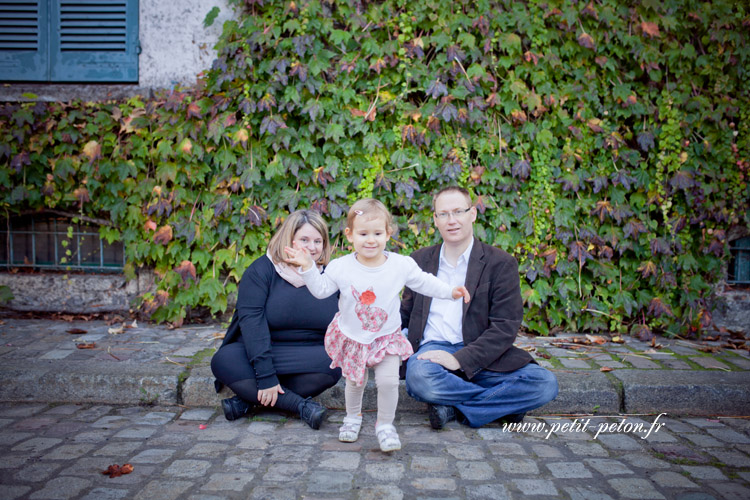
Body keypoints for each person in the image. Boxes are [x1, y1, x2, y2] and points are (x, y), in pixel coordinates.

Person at [284, 198, 470, 451]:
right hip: (353, 337)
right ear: (350, 235)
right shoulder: (341, 267)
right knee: (355, 382)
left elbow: (425, 282)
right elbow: (321, 290)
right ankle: (352, 418)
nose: (370, 240)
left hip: (386, 337)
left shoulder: (400, 265)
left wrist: (451, 291)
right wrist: (308, 268)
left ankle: (385, 425)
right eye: (363, 233)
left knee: (389, 382)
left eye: (377, 233)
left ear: (388, 234)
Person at [401, 186, 558, 429]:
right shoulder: (419, 261)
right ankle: (498, 406)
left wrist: (460, 360)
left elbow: (505, 327)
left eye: (458, 212)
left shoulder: (500, 263)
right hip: (432, 352)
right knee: (419, 378)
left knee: (544, 384)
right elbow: (406, 315)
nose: (451, 221)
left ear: (472, 214)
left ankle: (452, 408)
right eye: (443, 214)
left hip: (483, 352)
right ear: (435, 219)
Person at [211, 210, 341, 429]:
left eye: (318, 241)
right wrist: (266, 376)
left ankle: (248, 402)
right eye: (304, 240)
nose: (312, 247)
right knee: (224, 359)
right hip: (258, 351)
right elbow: (252, 324)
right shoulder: (262, 270)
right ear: (288, 240)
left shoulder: (330, 275)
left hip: (307, 355)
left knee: (335, 364)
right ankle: (298, 405)